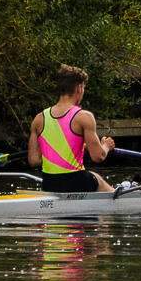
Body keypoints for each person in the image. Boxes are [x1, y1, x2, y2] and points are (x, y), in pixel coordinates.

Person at [28, 64, 117, 193]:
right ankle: (121, 197)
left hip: (49, 184)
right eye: (84, 89)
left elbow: (33, 160)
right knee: (95, 178)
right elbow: (98, 156)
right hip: (77, 183)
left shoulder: (39, 119)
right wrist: (106, 146)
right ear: (79, 89)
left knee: (93, 177)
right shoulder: (84, 117)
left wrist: (57, 151)